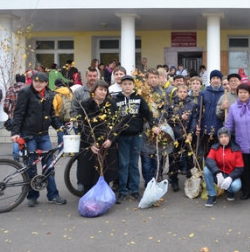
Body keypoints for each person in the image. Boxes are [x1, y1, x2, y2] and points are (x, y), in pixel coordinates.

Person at [10, 72, 66, 207]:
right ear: (32, 81)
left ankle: (53, 195)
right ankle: (32, 196)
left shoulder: (49, 94)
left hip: (44, 135)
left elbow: (51, 114)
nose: (38, 83)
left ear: (46, 83)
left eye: (41, 81)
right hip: (29, 135)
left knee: (49, 166)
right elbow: (19, 113)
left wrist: (60, 128)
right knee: (31, 166)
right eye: (36, 81)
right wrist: (15, 132)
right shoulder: (25, 92)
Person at [114, 75, 158, 203]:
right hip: (122, 137)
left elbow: (147, 113)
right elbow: (113, 117)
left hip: (136, 136)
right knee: (123, 164)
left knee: (133, 164)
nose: (127, 86)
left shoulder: (139, 98)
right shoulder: (116, 99)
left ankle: (134, 190)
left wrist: (153, 125)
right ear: (121, 85)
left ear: (133, 85)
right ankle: (122, 191)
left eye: (130, 84)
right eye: (125, 84)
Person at [76, 80, 119, 194]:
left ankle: (104, 195)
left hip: (106, 142)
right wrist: (91, 143)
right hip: (89, 142)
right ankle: (89, 195)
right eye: (100, 89)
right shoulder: (85, 104)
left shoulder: (110, 104)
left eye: (105, 90)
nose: (103, 92)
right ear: (93, 91)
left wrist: (111, 139)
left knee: (105, 170)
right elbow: (82, 126)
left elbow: (116, 124)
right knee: (89, 170)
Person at [166, 84, 197, 192]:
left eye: (184, 92)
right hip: (175, 136)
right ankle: (173, 180)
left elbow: (193, 120)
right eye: (180, 92)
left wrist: (191, 133)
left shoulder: (191, 104)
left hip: (187, 135)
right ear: (177, 92)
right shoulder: (172, 105)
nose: (182, 94)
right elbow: (169, 120)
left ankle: (191, 180)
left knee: (189, 159)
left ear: (187, 92)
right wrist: (179, 118)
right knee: (174, 159)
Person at [203, 127, 244, 207]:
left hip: (231, 176)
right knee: (206, 170)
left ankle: (230, 191)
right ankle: (212, 195)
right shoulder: (215, 148)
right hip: (219, 175)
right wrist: (218, 173)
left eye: (225, 136)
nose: (223, 139)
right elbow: (209, 160)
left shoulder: (236, 149)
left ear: (229, 137)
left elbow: (240, 168)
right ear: (218, 138)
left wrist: (230, 178)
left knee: (236, 186)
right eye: (221, 137)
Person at [196, 70, 225, 160]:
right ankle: (206, 172)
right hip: (206, 127)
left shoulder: (225, 93)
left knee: (219, 153)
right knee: (207, 152)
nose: (215, 80)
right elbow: (198, 111)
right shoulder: (204, 93)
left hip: (220, 127)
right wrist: (198, 124)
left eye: (217, 78)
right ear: (210, 80)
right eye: (213, 78)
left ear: (220, 80)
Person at [4, 74, 26, 160]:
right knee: (25, 136)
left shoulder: (10, 89)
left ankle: (16, 157)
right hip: (26, 116)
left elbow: (6, 105)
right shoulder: (28, 88)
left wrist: (9, 112)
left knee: (15, 136)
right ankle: (25, 155)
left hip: (14, 116)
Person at [52, 78, 73, 146]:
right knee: (67, 131)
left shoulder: (56, 94)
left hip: (58, 116)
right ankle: (69, 149)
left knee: (60, 132)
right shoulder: (69, 92)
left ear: (56, 85)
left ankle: (62, 150)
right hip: (67, 115)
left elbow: (54, 107)